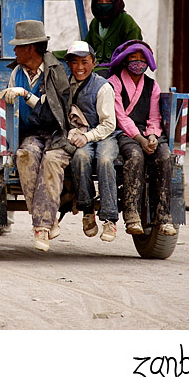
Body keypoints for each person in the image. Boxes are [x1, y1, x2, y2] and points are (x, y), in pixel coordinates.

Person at [0, 20, 75, 252]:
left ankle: (41, 228)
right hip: (31, 134)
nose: (14, 51)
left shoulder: (56, 71)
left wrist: (24, 94)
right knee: (25, 156)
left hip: (56, 133)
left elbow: (55, 110)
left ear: (30, 48)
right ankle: (49, 220)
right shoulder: (16, 73)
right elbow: (11, 113)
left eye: (18, 46)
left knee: (51, 162)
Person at [106, 39, 176, 237]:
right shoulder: (114, 82)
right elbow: (119, 116)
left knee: (164, 156)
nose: (138, 63)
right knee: (135, 156)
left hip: (147, 132)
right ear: (125, 60)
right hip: (125, 133)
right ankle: (132, 214)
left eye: (141, 59)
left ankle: (163, 217)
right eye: (133, 59)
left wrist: (152, 135)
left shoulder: (152, 85)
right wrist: (140, 139)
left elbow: (155, 116)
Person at [64, 41, 120, 242]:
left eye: (85, 62)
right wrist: (73, 133)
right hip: (80, 137)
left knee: (105, 160)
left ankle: (110, 219)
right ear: (68, 64)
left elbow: (108, 125)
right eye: (74, 62)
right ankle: (87, 209)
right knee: (80, 158)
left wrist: (86, 136)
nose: (80, 67)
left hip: (104, 136)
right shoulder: (66, 85)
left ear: (94, 63)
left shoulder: (103, 87)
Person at [84, 0, 142, 74]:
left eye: (108, 2)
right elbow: (85, 47)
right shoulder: (95, 23)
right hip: (97, 68)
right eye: (100, 2)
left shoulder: (125, 21)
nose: (103, 5)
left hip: (120, 70)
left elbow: (134, 50)